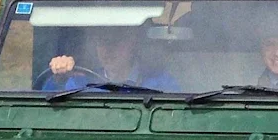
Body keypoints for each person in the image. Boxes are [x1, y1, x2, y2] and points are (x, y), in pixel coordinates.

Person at [43, 27, 179, 92]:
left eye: (115, 42)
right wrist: (59, 78)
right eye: (102, 42)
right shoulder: (81, 82)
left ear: (131, 43)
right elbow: (48, 109)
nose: (108, 50)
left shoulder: (161, 84)